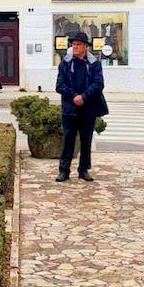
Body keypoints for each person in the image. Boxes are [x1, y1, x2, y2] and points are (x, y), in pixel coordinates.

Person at [56, 32, 108, 182]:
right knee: (68, 139)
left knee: (86, 140)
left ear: (86, 47)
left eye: (78, 44)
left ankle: (84, 170)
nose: (75, 47)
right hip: (70, 108)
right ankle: (64, 170)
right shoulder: (65, 63)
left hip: (88, 107)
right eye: (73, 44)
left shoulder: (94, 64)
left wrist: (84, 97)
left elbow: (98, 84)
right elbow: (60, 85)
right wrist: (74, 96)